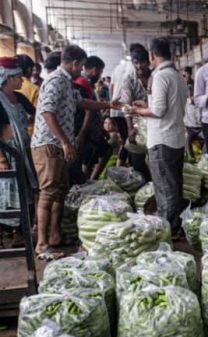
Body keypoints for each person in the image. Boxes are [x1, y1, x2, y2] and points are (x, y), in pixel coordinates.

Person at [31, 45, 124, 260]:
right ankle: (42, 243)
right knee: (48, 193)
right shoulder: (55, 81)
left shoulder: (66, 82)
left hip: (58, 145)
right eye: (82, 65)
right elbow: (46, 112)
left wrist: (108, 104)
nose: (82, 70)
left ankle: (55, 237)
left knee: (59, 191)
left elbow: (81, 102)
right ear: (74, 62)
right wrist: (65, 141)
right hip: (48, 144)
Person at [126, 37, 187, 236]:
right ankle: (175, 227)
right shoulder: (177, 76)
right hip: (176, 138)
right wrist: (145, 107)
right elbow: (171, 106)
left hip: (162, 140)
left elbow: (159, 111)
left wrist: (136, 111)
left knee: (164, 190)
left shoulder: (161, 76)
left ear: (152, 55)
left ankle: (166, 231)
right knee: (174, 186)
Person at [0, 57, 38, 248]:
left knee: (24, 192)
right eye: (19, 77)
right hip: (6, 155)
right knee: (5, 194)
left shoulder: (20, 97)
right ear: (8, 78)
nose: (22, 81)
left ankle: (20, 232)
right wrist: (2, 159)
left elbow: (35, 114)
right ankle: (6, 231)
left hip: (22, 151)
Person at [73, 56, 114, 181]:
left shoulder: (86, 84)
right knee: (87, 160)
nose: (100, 75)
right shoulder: (81, 83)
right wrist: (82, 133)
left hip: (91, 131)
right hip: (85, 131)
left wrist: (101, 129)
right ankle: (88, 183)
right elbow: (89, 110)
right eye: (101, 72)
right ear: (95, 70)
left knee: (92, 157)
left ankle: (91, 181)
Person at [119, 46, 153, 181]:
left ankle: (156, 186)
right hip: (137, 125)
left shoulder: (156, 77)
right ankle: (147, 186)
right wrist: (130, 128)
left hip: (156, 122)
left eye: (142, 62)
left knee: (156, 158)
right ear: (132, 63)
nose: (139, 66)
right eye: (136, 63)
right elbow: (126, 105)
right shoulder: (129, 80)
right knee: (138, 161)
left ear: (148, 61)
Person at [110, 43, 145, 167]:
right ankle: (127, 166)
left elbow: (112, 87)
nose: (139, 65)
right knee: (130, 140)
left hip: (117, 110)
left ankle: (127, 165)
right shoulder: (133, 70)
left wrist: (112, 105)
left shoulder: (118, 67)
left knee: (128, 140)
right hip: (128, 110)